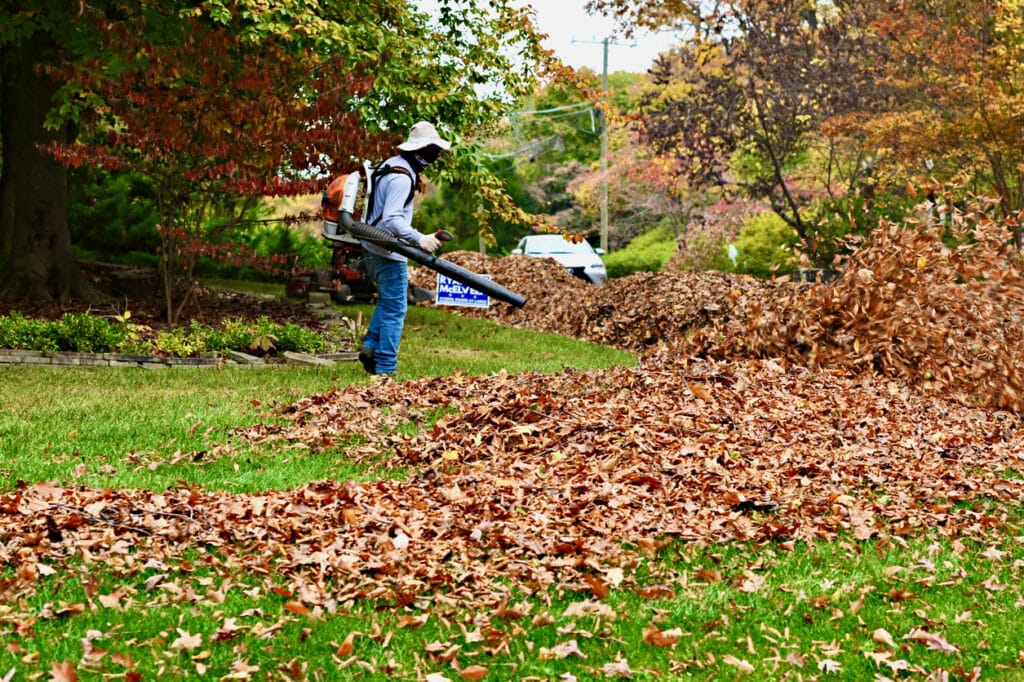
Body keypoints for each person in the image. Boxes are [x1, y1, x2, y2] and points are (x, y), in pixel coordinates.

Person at [357, 121, 451, 376]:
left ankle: (370, 347)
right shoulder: (401, 176)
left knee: (389, 301)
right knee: (397, 308)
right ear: (420, 150)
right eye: (433, 150)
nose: (436, 156)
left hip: (372, 246)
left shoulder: (390, 165)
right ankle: (386, 368)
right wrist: (420, 238)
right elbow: (391, 219)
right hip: (388, 251)